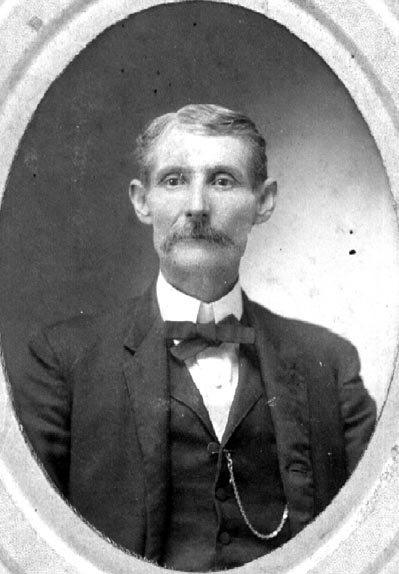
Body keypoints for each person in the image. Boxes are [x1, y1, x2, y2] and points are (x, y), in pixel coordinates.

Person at [13, 104, 376, 572]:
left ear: (264, 201)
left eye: (222, 181)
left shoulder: (330, 362)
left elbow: (378, 525)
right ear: (142, 201)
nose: (197, 206)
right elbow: (27, 537)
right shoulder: (64, 360)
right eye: (174, 181)